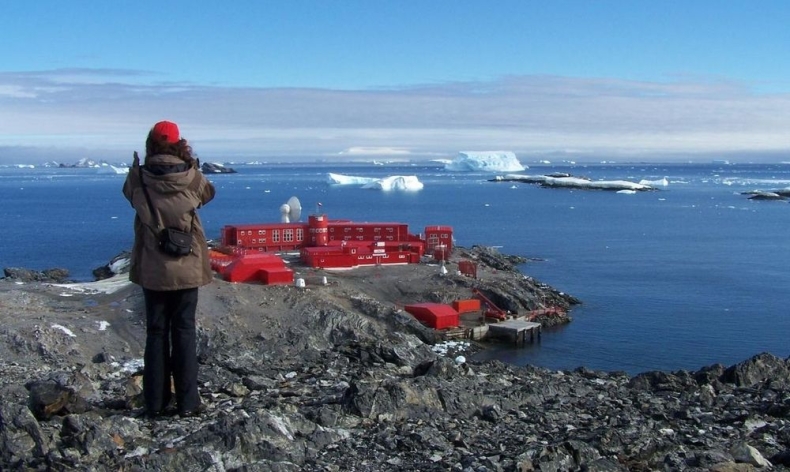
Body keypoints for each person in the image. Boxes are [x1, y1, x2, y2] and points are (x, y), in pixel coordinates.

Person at [122, 120, 216, 418]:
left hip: (152, 267)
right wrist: (190, 165)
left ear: (150, 144)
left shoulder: (138, 179)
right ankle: (188, 403)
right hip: (186, 264)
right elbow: (208, 194)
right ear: (179, 144)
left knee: (156, 332)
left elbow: (128, 196)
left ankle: (155, 402)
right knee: (185, 330)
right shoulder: (192, 179)